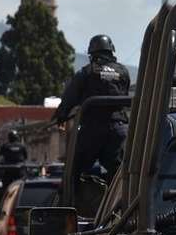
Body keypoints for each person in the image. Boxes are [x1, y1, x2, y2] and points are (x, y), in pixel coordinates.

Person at [53, 34, 130, 182]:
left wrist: (61, 115)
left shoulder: (86, 73)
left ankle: (70, 201)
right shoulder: (123, 72)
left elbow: (70, 96)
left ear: (92, 54)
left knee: (73, 171)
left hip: (92, 130)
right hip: (119, 129)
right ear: (111, 51)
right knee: (120, 174)